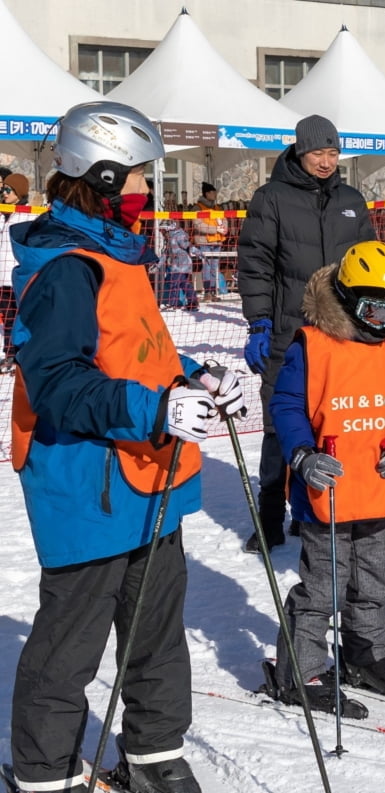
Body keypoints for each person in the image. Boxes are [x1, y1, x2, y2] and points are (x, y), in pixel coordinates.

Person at [8, 100, 246, 793]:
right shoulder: (65, 269)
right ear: (104, 177)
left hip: (149, 477)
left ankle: (152, 754)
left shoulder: (118, 254)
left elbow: (137, 356)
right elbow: (56, 383)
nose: (147, 189)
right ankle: (44, 775)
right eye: (138, 176)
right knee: (69, 645)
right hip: (90, 483)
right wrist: (157, 406)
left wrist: (194, 382)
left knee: (155, 633)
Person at [260, 241, 385, 717]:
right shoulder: (313, 344)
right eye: (376, 309)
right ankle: (303, 668)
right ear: (351, 300)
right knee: (322, 587)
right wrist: (301, 453)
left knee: (375, 580)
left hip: (375, 487)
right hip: (327, 488)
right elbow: (286, 405)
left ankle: (364, 652)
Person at [237, 114, 375, 554]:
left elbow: (368, 260)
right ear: (300, 151)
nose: (327, 161)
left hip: (342, 330)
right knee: (282, 423)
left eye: (333, 153)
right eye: (319, 152)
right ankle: (269, 519)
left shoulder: (351, 200)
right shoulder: (271, 198)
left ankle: (308, 509)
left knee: (330, 420)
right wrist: (259, 321)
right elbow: (255, 263)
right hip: (289, 330)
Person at [0, 172, 35, 372]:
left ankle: (21, 354)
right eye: (2, 189)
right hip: (3, 277)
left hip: (20, 277)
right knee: (8, 319)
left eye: (8, 190)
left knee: (21, 318)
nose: (4, 193)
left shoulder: (29, 214)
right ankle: (9, 354)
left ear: (18, 192)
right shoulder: (3, 214)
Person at [191, 182, 226, 301]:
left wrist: (224, 229)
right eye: (213, 192)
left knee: (214, 268)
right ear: (207, 193)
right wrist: (216, 229)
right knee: (206, 267)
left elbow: (224, 219)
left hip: (217, 241)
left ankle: (213, 291)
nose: (215, 194)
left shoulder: (217, 208)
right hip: (204, 241)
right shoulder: (197, 208)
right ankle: (207, 292)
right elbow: (198, 225)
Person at [158, 217, 199, 311]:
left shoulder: (179, 236)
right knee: (184, 284)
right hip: (177, 265)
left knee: (174, 282)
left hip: (183, 264)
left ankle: (173, 304)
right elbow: (165, 254)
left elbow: (188, 246)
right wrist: (158, 265)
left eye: (163, 230)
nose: (161, 232)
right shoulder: (169, 239)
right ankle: (193, 302)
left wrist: (199, 253)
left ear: (169, 229)